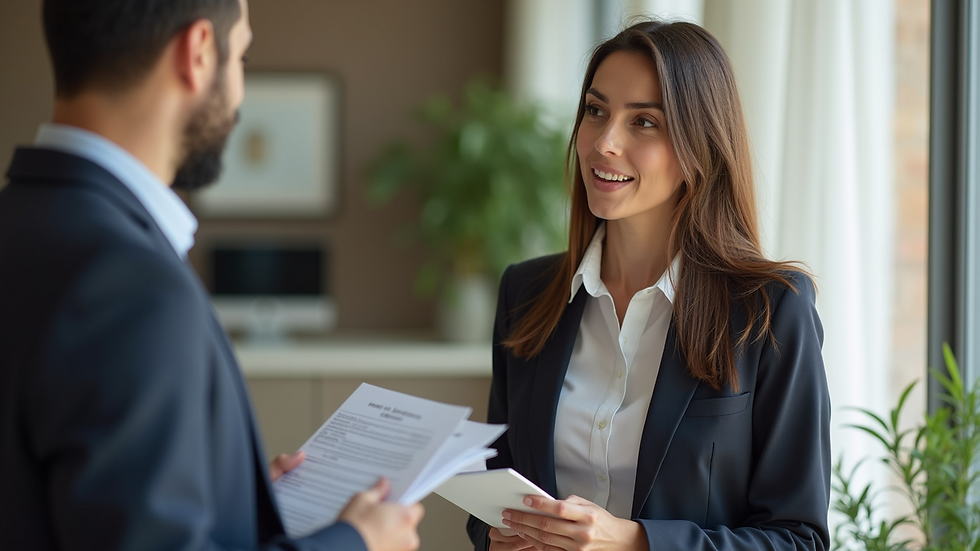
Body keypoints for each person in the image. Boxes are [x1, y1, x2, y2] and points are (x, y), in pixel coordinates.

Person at [0, 1, 423, 549]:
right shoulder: (131, 285)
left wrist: (231, 502)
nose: (241, 91)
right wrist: (353, 543)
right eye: (242, 57)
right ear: (198, 52)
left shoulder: (21, 224)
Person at [466, 20, 830, 551]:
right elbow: (494, 495)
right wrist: (499, 537)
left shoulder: (771, 310)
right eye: (596, 110)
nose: (604, 143)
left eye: (644, 122)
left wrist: (636, 543)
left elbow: (799, 540)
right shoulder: (525, 294)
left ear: (698, 146)